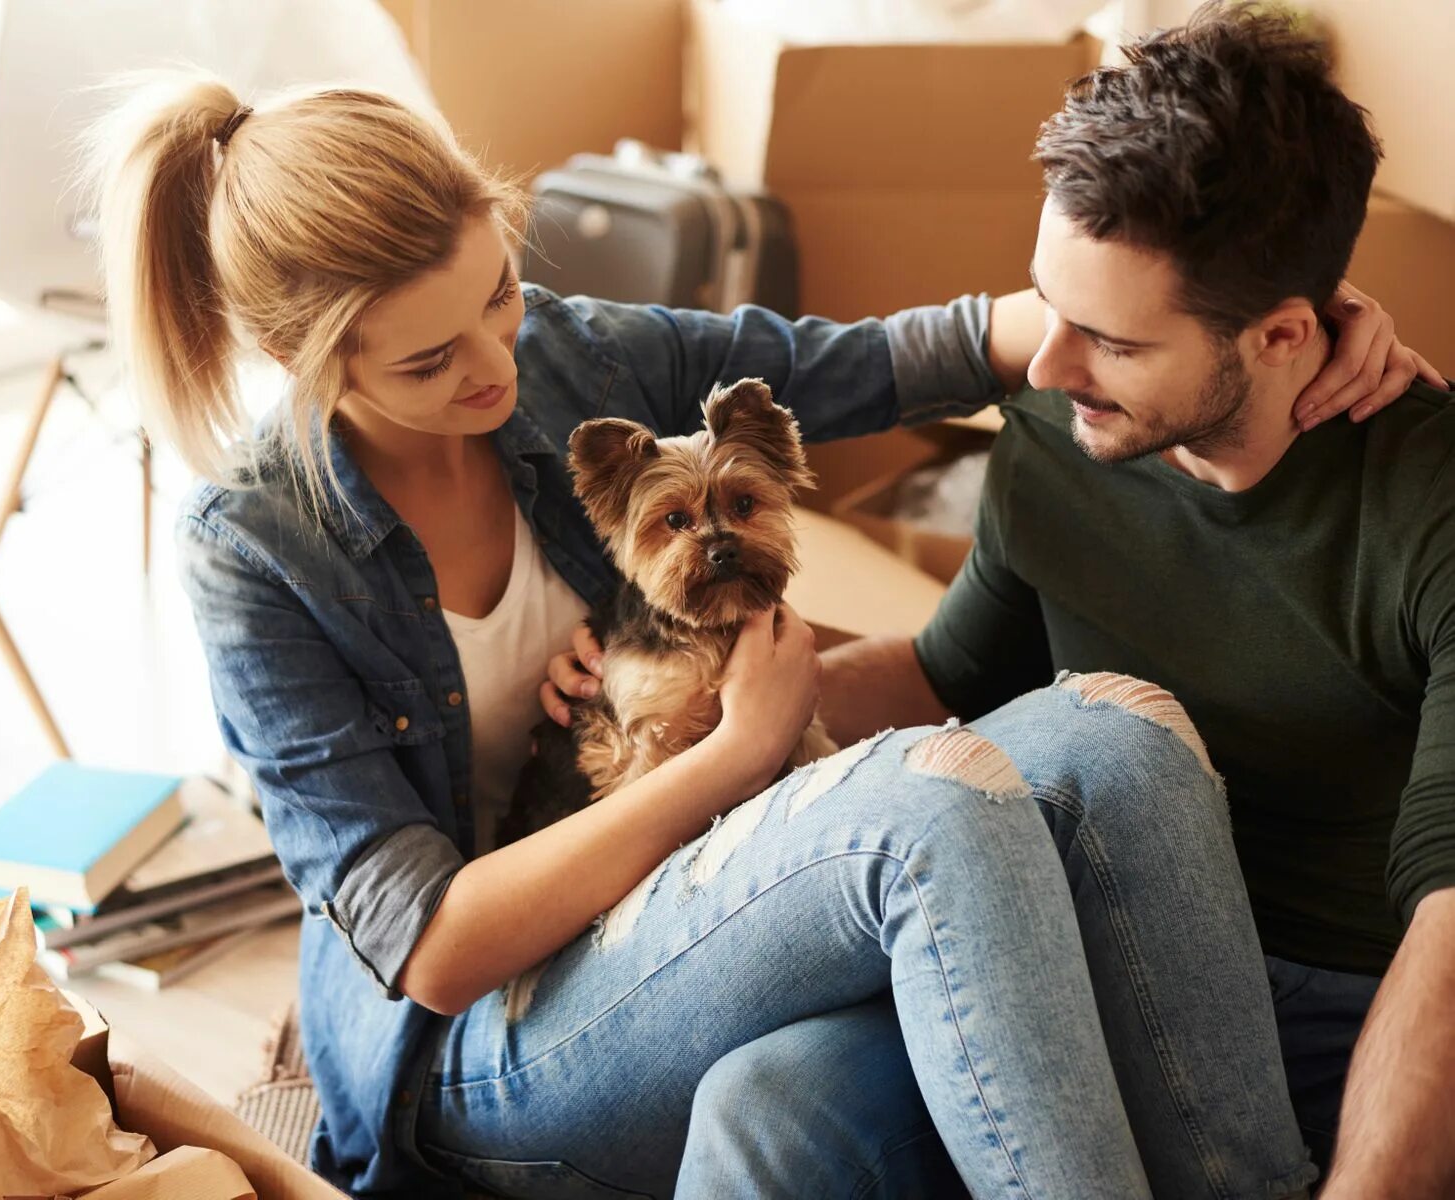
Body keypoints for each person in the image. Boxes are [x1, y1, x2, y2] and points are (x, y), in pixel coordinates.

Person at [85, 45, 1424, 1199]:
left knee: (1117, 735)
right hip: (498, 1037)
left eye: (497, 294)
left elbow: (894, 356)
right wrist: (733, 751)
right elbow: (430, 954)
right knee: (932, 806)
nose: (498, 365)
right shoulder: (256, 554)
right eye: (429, 360)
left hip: (701, 905)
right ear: (303, 361)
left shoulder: (565, 353)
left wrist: (1276, 314)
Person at [554, 4, 1455, 1196]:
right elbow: (946, 674)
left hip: (1339, 1005)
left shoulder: (1426, 503)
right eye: (1046, 306)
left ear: (1287, 333)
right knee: (765, 1105)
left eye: (1109, 340)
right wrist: (686, 707)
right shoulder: (1056, 426)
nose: (1042, 367)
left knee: (1101, 743)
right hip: (1071, 948)